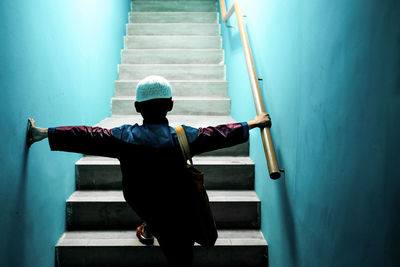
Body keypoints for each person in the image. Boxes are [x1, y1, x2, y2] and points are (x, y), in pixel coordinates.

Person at [27, 75, 271, 266]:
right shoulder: (184, 137)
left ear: (136, 107)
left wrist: (45, 133)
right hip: (178, 206)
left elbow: (85, 136)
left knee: (155, 213)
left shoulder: (123, 136)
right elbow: (218, 134)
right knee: (180, 255)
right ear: (171, 105)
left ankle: (150, 224)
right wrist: (251, 123)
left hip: (141, 200)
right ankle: (154, 227)